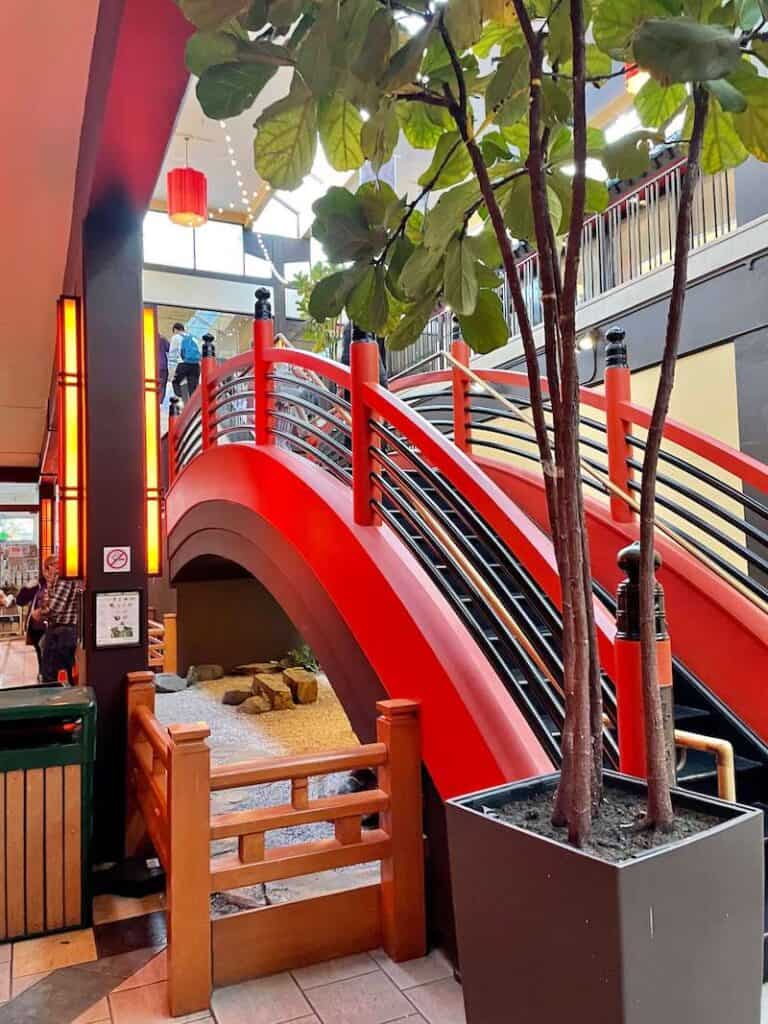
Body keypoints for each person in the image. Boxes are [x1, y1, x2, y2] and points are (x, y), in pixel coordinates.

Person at [14, 555, 57, 678]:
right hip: (38, 627)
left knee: (52, 657)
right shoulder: (38, 585)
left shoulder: (62, 584)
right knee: (41, 653)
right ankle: (43, 675)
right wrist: (26, 588)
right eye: (51, 566)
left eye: (57, 566)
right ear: (45, 570)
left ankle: (48, 677)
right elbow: (20, 601)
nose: (54, 570)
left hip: (55, 626)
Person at [38, 563, 81, 685]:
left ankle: (53, 699)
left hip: (61, 629)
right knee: (67, 670)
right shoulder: (76, 576)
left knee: (52, 674)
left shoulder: (64, 578)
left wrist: (40, 613)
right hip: (70, 629)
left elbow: (55, 608)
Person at [170, 322, 201, 400]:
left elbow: (172, 353)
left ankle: (180, 398)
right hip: (195, 366)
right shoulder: (193, 338)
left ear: (175, 330)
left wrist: (172, 368)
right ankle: (194, 409)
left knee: (175, 382)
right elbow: (199, 352)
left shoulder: (176, 337)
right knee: (193, 389)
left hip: (183, 365)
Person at [157, 333, 170, 403]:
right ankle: (160, 402)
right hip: (163, 366)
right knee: (163, 385)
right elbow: (169, 348)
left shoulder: (145, 338)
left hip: (151, 366)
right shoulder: (162, 339)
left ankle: (154, 401)